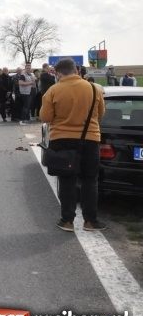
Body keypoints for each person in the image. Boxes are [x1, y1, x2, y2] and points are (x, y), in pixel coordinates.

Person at [40, 57, 106, 232]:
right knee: (90, 180)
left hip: (62, 139)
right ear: (76, 70)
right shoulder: (94, 88)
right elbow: (100, 113)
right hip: (90, 139)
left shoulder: (53, 90)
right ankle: (90, 221)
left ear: (59, 73)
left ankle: (67, 220)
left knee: (67, 180)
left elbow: (45, 118)